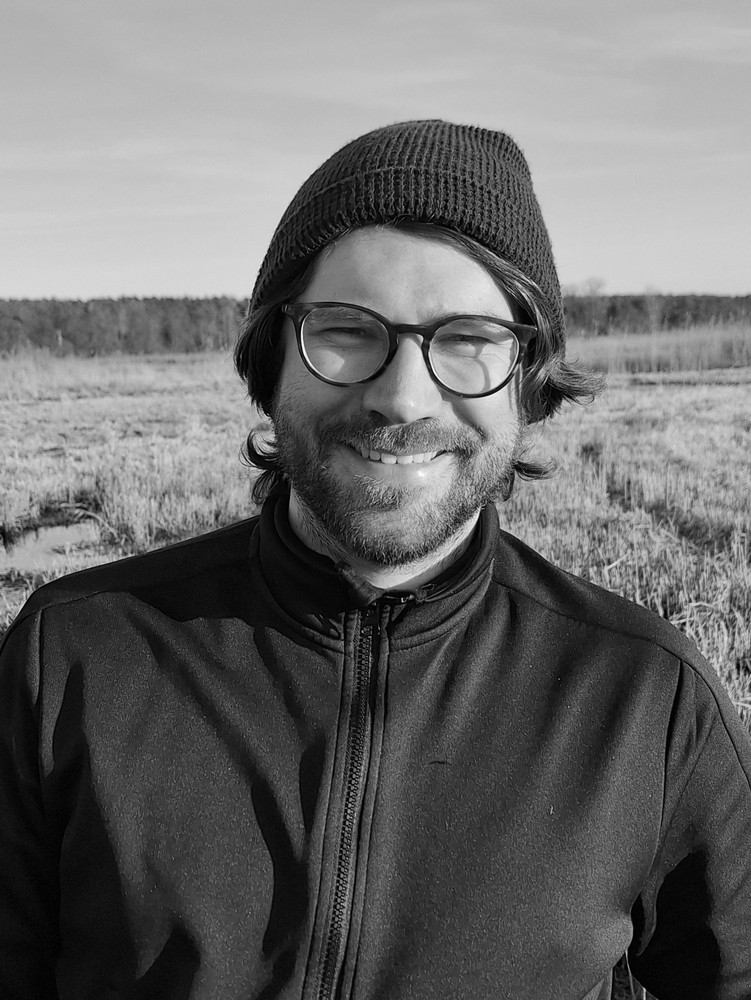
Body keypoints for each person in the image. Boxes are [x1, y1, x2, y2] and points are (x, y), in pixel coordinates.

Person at [1, 120, 749, 1000]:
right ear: (273, 355)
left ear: (526, 377)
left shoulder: (644, 700)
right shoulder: (77, 657)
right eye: (348, 330)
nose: (401, 397)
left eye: (467, 339)